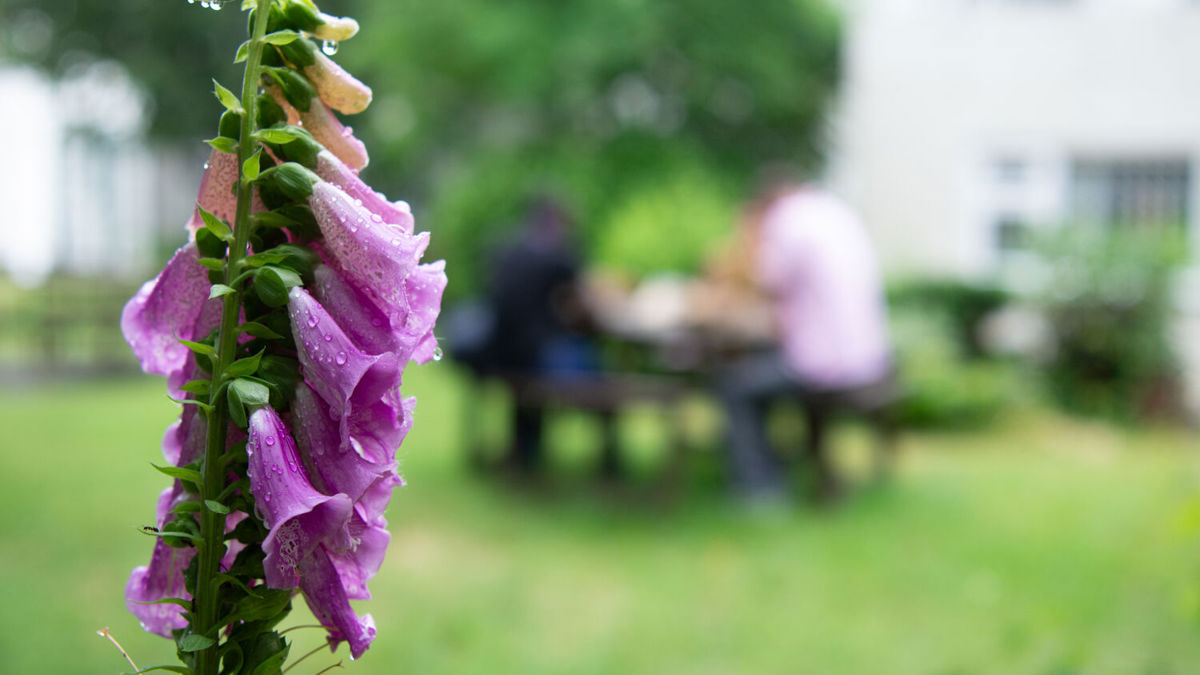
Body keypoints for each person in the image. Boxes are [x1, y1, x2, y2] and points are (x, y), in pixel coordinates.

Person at [718, 178, 892, 502]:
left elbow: (767, 281)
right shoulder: (836, 212)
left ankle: (760, 490)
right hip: (867, 358)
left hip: (824, 365)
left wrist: (746, 242)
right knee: (758, 375)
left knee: (734, 386)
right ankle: (776, 464)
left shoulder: (788, 220)